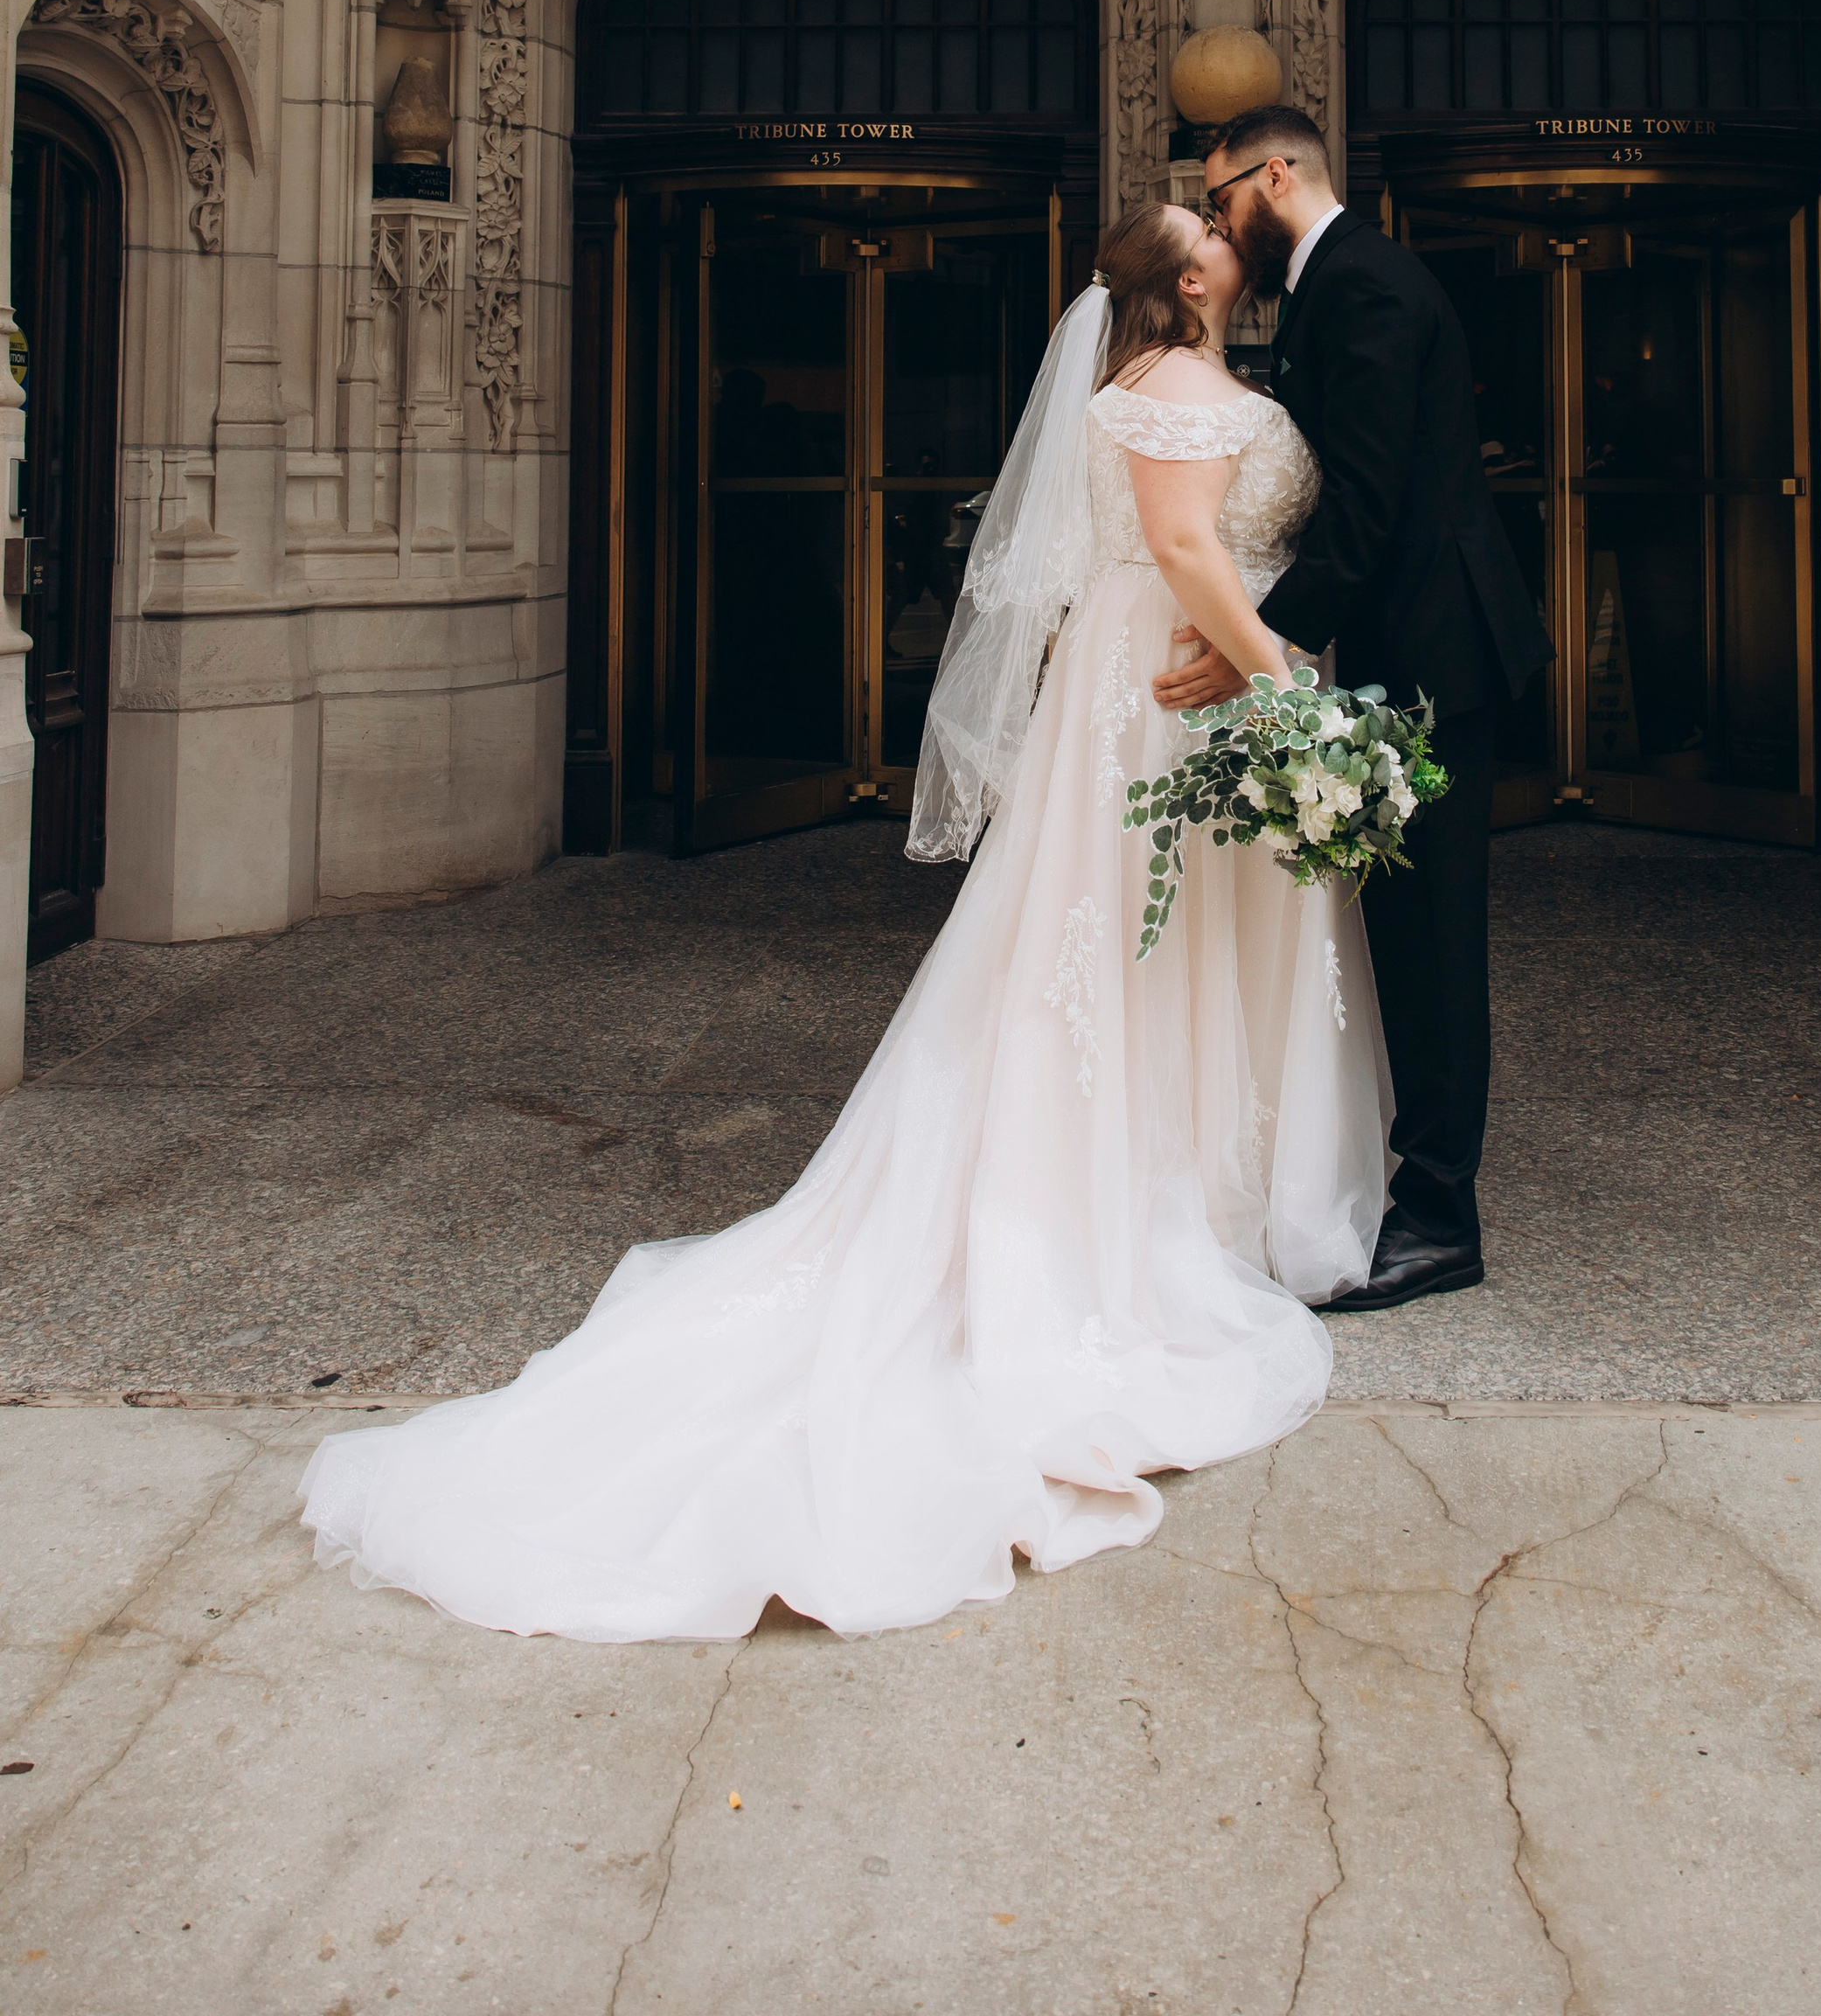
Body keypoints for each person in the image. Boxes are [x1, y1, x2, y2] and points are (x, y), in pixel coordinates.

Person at [296, 201, 1388, 1643]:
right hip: (1169, 691)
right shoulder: (1172, 392)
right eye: (1212, 231)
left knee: (1154, 943)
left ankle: (1195, 1175)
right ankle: (1141, 1206)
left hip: (1174, 678)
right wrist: (1288, 688)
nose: (1235, 235)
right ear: (1189, 280)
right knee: (1129, 941)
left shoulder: (1165, 381)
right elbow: (1185, 551)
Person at [1157, 105, 1552, 1315]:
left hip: (1434, 663)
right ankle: (1416, 1189)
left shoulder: (1366, 287)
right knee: (1407, 932)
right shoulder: (1340, 282)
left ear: (1274, 173)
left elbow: (1370, 506)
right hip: (1403, 651)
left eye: (1221, 195)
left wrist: (1256, 645)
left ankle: (1440, 1216)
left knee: (1434, 936)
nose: (1220, 218)